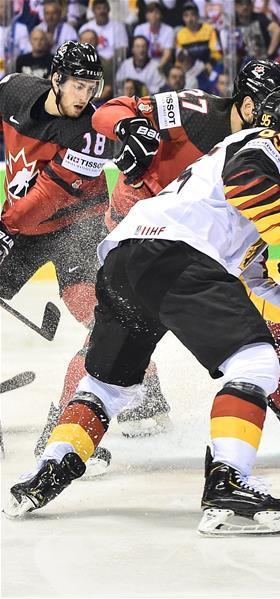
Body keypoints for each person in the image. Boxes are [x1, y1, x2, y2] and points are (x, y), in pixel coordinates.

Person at [4, 89, 280, 536]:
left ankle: (48, 470)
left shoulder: (236, 178)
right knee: (255, 361)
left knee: (107, 385)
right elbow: (247, 181)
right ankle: (229, 484)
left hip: (126, 261)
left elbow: (251, 279)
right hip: (176, 256)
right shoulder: (267, 146)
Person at [92, 59, 280, 453]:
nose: (276, 126)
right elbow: (109, 109)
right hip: (144, 233)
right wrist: (127, 128)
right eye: (268, 112)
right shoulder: (194, 111)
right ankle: (64, 428)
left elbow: (252, 261)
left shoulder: (260, 155)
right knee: (104, 343)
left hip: (196, 245)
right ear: (249, 107)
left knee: (262, 327)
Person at [0, 42, 126, 468]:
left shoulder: (91, 131)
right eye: (78, 85)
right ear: (55, 79)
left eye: (93, 86)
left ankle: (65, 424)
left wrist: (4, 227)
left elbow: (47, 197)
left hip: (80, 224)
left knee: (96, 315)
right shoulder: (14, 90)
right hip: (25, 226)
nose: (86, 96)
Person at [78, 0, 128, 64]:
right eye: (98, 8)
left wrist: (109, 63)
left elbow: (123, 49)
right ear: (93, 11)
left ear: (109, 10)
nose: (102, 11)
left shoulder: (119, 27)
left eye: (104, 8)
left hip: (112, 64)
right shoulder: (85, 28)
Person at [176, 2, 222, 68]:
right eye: (186, 15)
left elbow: (216, 53)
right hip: (190, 69)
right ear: (183, 18)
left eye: (193, 14)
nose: (190, 19)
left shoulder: (209, 29)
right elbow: (179, 58)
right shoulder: (180, 35)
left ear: (198, 16)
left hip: (209, 66)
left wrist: (209, 64)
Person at [134, 1, 175, 70]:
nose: (153, 15)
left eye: (156, 12)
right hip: (144, 65)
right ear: (146, 16)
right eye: (150, 12)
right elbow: (136, 51)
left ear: (161, 15)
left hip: (162, 65)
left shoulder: (169, 30)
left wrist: (157, 69)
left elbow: (168, 53)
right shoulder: (139, 29)